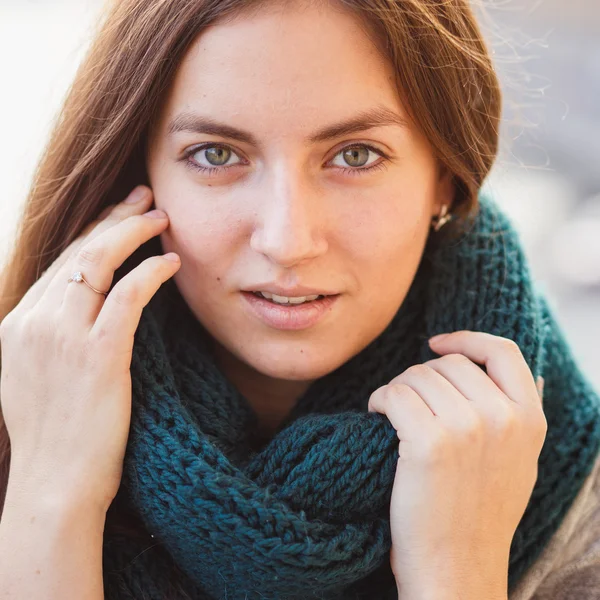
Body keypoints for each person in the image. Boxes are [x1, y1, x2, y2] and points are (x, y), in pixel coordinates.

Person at [0, 0, 599, 599]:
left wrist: (459, 572)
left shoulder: (581, 509)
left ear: (445, 176)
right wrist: (51, 491)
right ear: (140, 174)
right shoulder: (30, 420)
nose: (288, 241)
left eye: (355, 155)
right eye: (216, 154)